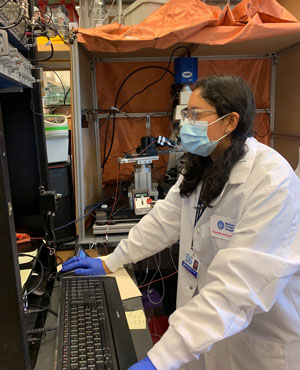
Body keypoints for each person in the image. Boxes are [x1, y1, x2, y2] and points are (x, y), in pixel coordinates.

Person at [61, 75, 300, 370]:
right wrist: (112, 260)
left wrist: (158, 359)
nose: (186, 124)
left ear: (230, 121)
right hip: (204, 333)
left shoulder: (270, 181)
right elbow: (163, 220)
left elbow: (238, 287)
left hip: (255, 344)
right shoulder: (203, 164)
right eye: (186, 114)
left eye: (196, 115)